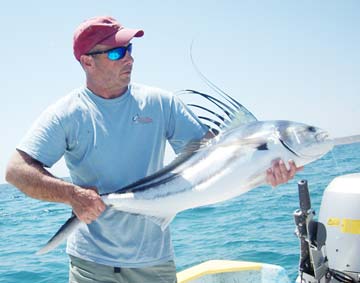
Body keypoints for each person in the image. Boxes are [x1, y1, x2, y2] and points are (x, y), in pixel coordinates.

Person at [5, 16, 301, 283]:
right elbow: (16, 171)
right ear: (87, 62)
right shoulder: (65, 114)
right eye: (117, 52)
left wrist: (263, 170)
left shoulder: (161, 103)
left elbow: (214, 158)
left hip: (154, 262)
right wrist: (72, 195)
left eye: (130, 50)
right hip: (90, 266)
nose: (129, 59)